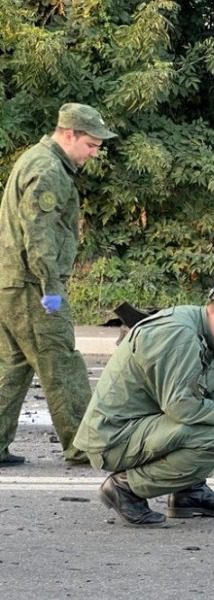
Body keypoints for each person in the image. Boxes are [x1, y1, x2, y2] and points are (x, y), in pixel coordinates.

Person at [73, 282, 214, 526]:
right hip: (113, 438)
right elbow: (183, 406)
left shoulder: (209, 337)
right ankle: (125, 488)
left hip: (142, 427)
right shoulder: (180, 335)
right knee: (213, 439)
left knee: (212, 421)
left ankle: (189, 493)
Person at [0, 103, 117, 467]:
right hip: (34, 286)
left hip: (13, 283)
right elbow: (40, 234)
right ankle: (85, 446)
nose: (94, 153)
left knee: (13, 366)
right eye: (92, 144)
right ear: (70, 135)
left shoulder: (36, 160)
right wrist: (51, 287)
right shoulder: (48, 169)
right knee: (61, 364)